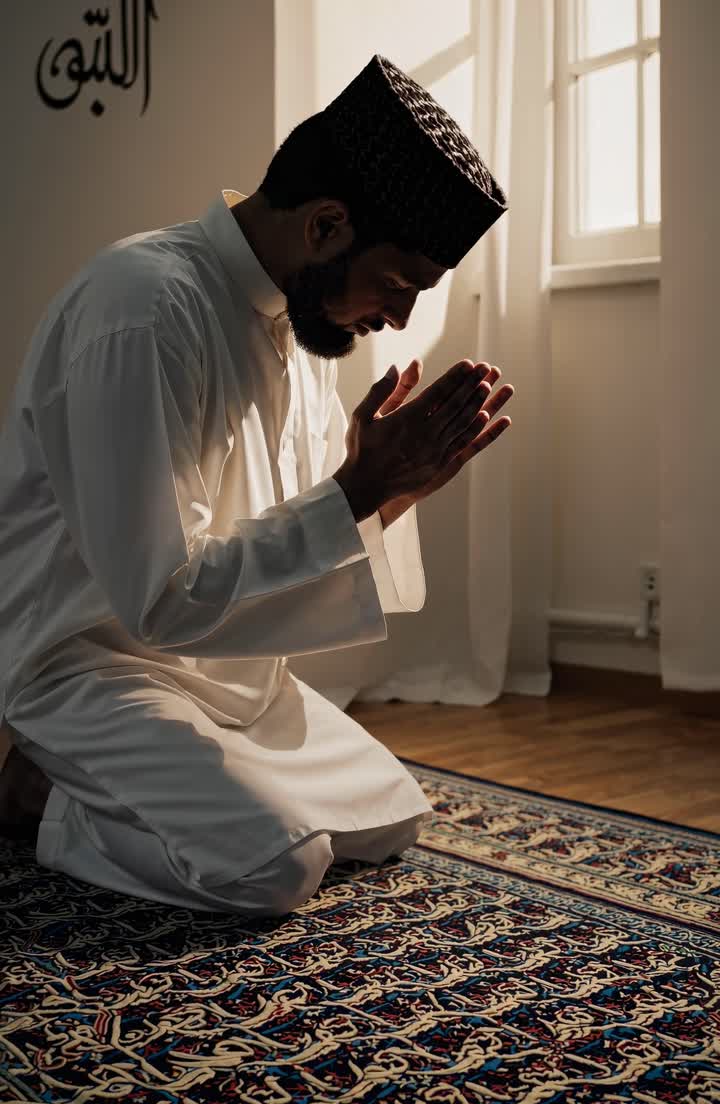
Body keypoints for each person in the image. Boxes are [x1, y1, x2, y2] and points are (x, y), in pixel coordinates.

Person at [0, 54, 513, 916]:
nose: (398, 319)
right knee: (271, 866)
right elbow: (158, 598)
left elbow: (283, 541)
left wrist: (389, 492)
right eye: (398, 284)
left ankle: (178, 790)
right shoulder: (144, 307)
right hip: (92, 663)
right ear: (325, 226)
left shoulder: (300, 325)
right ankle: (29, 791)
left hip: (227, 677)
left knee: (390, 818)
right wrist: (354, 493)